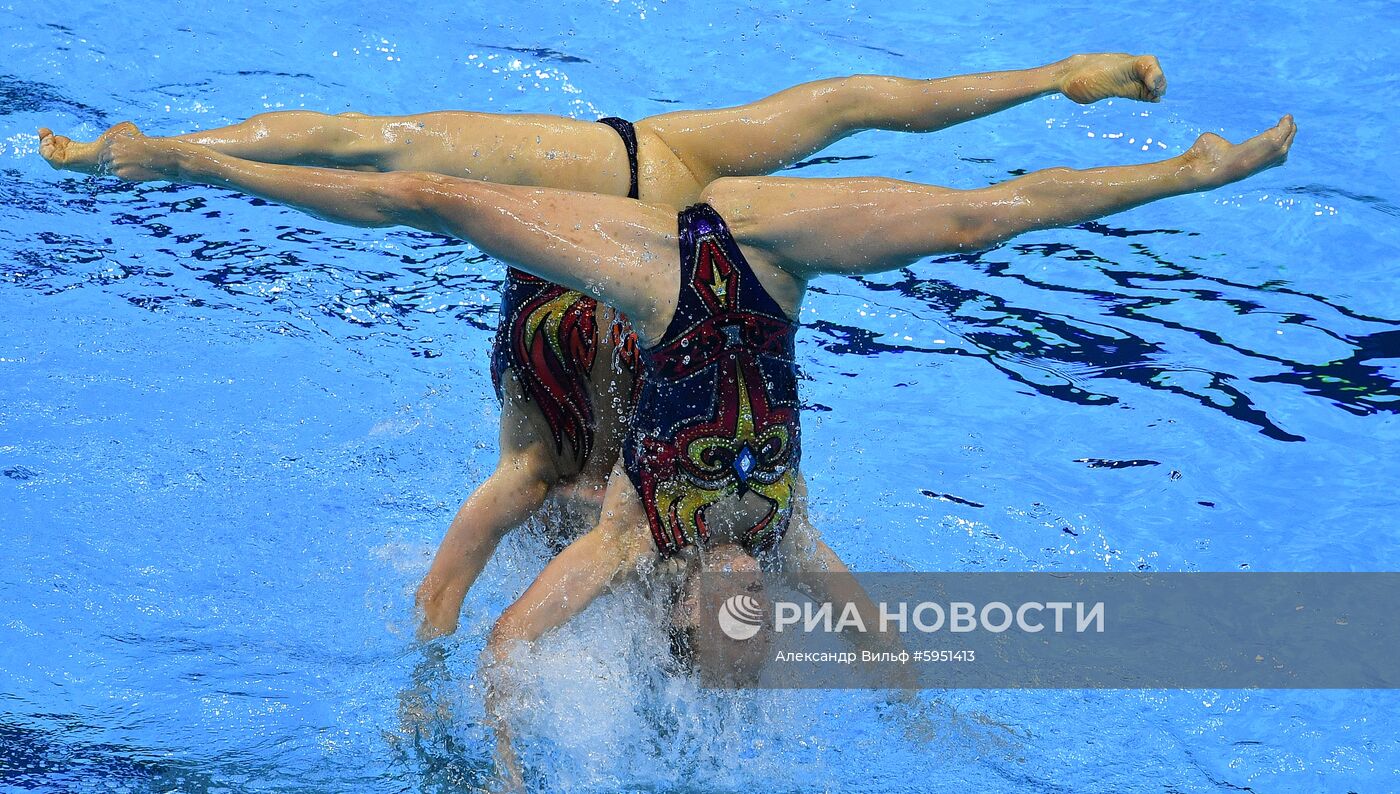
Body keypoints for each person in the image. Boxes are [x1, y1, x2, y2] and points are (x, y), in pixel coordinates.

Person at [55, 107, 1293, 784]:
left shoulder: (629, 529)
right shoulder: (783, 532)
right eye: (757, 605)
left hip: (659, 279)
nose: (747, 588)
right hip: (764, 266)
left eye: (727, 612)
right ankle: (1191, 172)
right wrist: (936, 727)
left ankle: (182, 160)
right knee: (971, 222)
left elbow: (504, 636)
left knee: (431, 197)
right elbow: (879, 644)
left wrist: (498, 763)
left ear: (686, 607)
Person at [39, 54, 1171, 639]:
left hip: (675, 193)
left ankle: (1056, 74)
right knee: (385, 155)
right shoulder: (557, 460)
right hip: (626, 199)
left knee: (844, 106)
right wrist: (430, 659)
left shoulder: (672, 483)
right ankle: (179, 154)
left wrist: (437, 658)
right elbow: (472, 559)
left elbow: (483, 577)